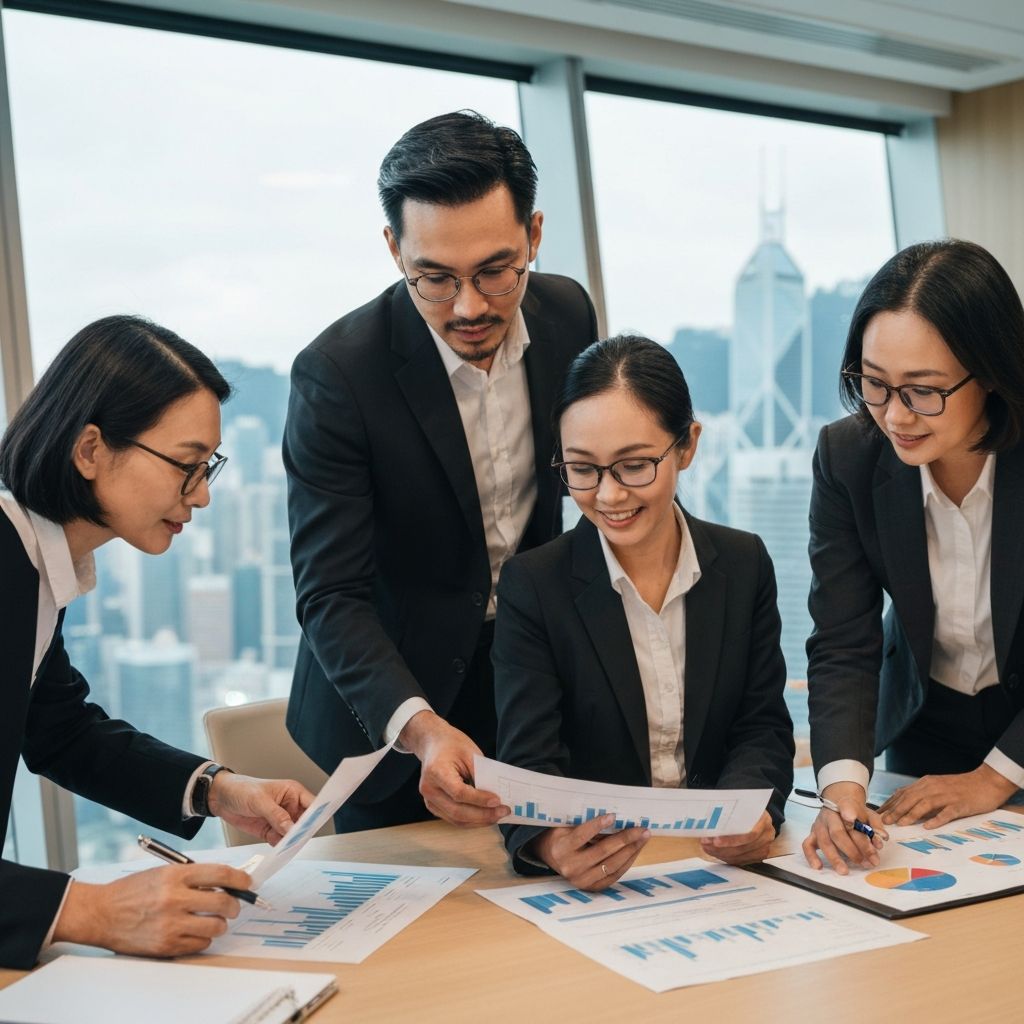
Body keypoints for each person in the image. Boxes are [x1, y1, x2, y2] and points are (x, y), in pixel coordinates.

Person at [284, 110, 598, 832]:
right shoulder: (338, 376)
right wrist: (421, 729)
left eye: (496, 271)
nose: (469, 307)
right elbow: (332, 594)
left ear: (535, 236)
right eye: (435, 277)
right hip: (389, 714)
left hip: (523, 681)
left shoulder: (568, 316)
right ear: (395, 250)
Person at [0, 315, 315, 970]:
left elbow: (59, 733)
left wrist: (217, 789)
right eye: (185, 465)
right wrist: (91, 910)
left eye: (208, 468)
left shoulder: (30, 565)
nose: (199, 496)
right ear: (90, 451)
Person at [492, 335, 794, 887]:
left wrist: (755, 812)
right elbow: (527, 762)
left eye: (633, 466)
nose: (608, 495)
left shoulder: (743, 562)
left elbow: (762, 727)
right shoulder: (535, 585)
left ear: (687, 445)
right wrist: (551, 845)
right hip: (603, 875)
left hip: (718, 867)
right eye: (582, 469)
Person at [802, 239, 1024, 876]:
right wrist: (842, 789)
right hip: (925, 723)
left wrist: (993, 778)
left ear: (989, 372)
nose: (895, 416)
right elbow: (844, 639)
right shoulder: (848, 457)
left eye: (923, 392)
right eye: (873, 385)